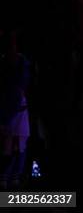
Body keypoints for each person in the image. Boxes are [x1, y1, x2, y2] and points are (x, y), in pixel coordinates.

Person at [0, 29, 31, 190]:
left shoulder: (22, 62)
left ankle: (12, 176)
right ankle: (7, 176)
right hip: (10, 109)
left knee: (18, 145)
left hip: (17, 109)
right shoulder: (13, 62)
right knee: (9, 145)